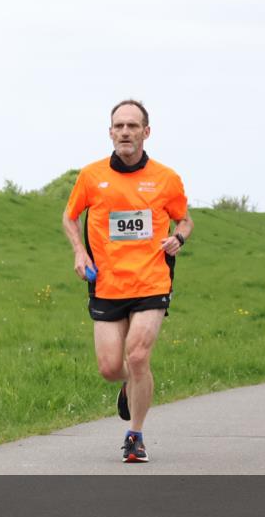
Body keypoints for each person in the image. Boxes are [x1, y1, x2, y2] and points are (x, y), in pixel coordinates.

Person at [62, 99, 193, 463]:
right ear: (110, 132)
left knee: (137, 356)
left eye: (132, 126)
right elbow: (70, 217)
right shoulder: (91, 176)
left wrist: (178, 239)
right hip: (106, 282)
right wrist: (79, 251)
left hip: (152, 280)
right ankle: (130, 384)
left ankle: (134, 434)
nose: (125, 132)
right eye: (119, 126)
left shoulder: (167, 178)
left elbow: (185, 219)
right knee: (109, 367)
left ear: (146, 133)